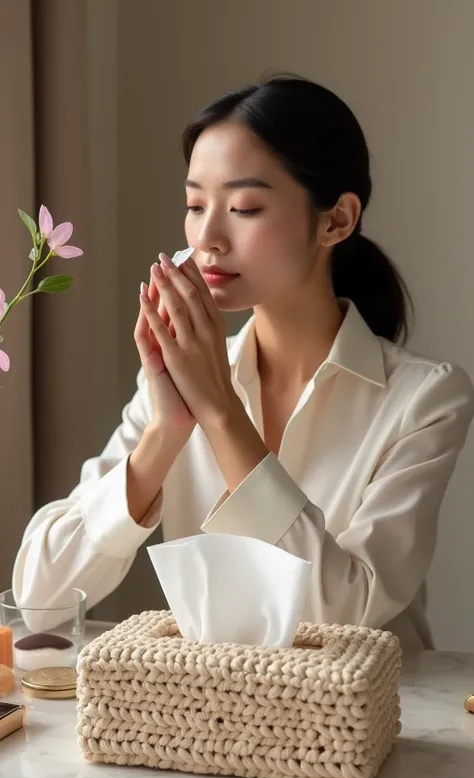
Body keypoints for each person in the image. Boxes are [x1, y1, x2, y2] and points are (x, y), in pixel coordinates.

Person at [13, 76, 474, 649]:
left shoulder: (426, 398)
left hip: (368, 723)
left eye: (243, 207)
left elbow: (348, 616)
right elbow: (40, 597)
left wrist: (223, 413)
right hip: (211, 722)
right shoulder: (176, 383)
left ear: (336, 220)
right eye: (194, 205)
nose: (207, 237)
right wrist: (166, 432)